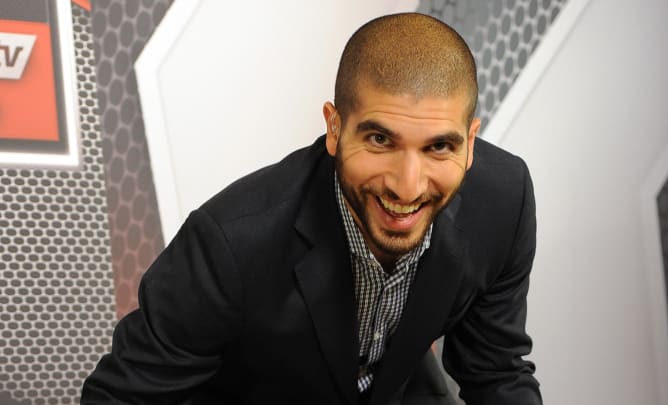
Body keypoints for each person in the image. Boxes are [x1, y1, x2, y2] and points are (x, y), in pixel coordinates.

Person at [81, 12, 541, 405]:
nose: (408, 186)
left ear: (471, 141)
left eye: (440, 146)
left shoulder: (504, 200)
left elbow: (496, 371)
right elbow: (122, 397)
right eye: (380, 140)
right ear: (335, 128)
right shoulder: (230, 241)